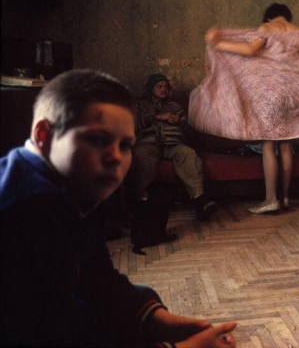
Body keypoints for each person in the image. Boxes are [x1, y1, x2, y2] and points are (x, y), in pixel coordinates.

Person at [0, 69, 236, 347]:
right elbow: (47, 330)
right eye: (99, 140)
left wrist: (163, 323)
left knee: (143, 300)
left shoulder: (80, 188)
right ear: (44, 135)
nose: (116, 158)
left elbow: (97, 277)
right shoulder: (21, 210)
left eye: (125, 145)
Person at [204, 3, 299, 215]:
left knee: (268, 144)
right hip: (292, 96)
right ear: (287, 17)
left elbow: (250, 50)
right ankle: (286, 197)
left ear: (269, 17)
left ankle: (271, 199)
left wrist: (219, 43)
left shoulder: (267, 28)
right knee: (286, 144)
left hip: (271, 95)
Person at [128, 73, 216, 222]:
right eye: (159, 86)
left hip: (173, 143)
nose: (163, 89)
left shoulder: (175, 106)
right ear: (151, 89)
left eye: (165, 87)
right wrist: (156, 117)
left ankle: (200, 201)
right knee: (141, 155)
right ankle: (141, 201)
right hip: (149, 143)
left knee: (188, 154)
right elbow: (133, 125)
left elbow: (190, 131)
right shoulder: (140, 105)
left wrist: (180, 122)